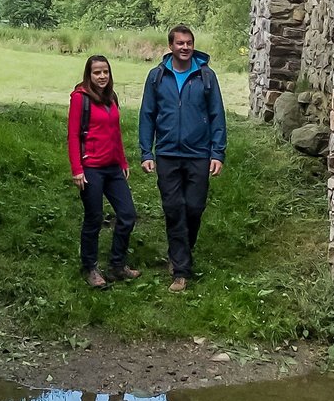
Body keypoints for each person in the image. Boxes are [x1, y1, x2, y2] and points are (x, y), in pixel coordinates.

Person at [138, 23, 226, 291]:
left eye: (189, 42)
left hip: (198, 153)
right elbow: (147, 115)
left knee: (195, 208)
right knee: (174, 208)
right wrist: (146, 151)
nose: (185, 47)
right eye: (180, 43)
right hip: (166, 153)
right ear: (170, 46)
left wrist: (217, 152)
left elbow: (217, 116)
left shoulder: (206, 77)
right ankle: (180, 270)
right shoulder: (156, 77)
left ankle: (180, 251)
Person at [68, 54, 139, 289]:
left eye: (105, 72)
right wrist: (77, 169)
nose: (102, 76)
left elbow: (115, 134)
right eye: (97, 72)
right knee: (94, 218)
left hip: (113, 168)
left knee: (127, 214)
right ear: (89, 75)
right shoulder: (81, 99)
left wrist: (123, 161)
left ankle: (117, 265)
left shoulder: (112, 98)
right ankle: (90, 268)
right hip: (91, 169)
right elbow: (73, 136)